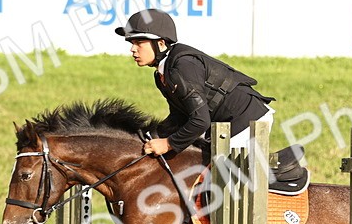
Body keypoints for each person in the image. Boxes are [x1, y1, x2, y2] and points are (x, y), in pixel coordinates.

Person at [115, 9, 275, 156]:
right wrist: (153, 134)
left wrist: (168, 143)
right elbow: (180, 115)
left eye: (139, 43)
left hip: (247, 119)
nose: (133, 49)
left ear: (161, 44)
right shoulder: (162, 74)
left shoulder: (182, 66)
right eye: (132, 43)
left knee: (217, 177)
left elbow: (200, 121)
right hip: (223, 123)